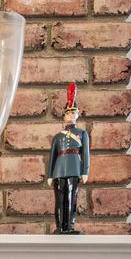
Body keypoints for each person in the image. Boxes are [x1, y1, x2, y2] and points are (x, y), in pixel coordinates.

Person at [48, 84, 90, 235]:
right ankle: (60, 226)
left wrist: (85, 171)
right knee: (60, 199)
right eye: (68, 113)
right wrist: (50, 175)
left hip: (74, 168)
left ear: (77, 115)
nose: (70, 116)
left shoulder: (82, 134)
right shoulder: (58, 137)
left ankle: (70, 226)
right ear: (64, 115)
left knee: (72, 198)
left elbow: (85, 153)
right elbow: (53, 156)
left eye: (73, 113)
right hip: (60, 168)